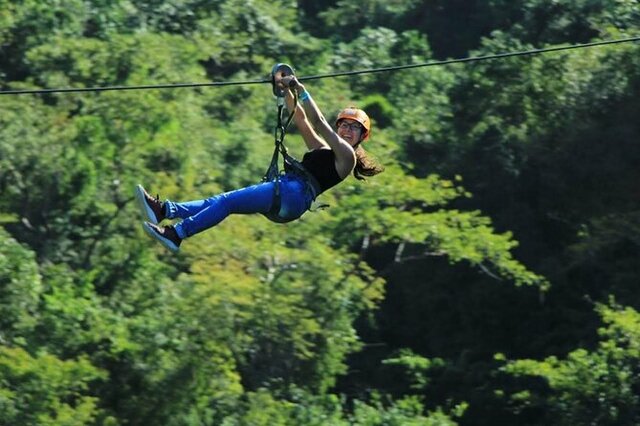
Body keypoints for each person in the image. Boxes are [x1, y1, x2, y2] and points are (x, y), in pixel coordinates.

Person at [136, 75, 384, 252]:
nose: (348, 130)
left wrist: (302, 89)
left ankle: (177, 234)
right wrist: (286, 89)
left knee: (226, 203)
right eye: (344, 124)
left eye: (355, 128)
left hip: (294, 194)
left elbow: (319, 122)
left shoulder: (347, 157)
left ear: (362, 137)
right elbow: (301, 118)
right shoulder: (323, 149)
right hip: (289, 194)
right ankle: (166, 211)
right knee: (220, 201)